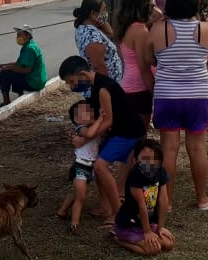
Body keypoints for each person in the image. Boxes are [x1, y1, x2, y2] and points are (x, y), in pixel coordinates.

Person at [59, 56, 147, 228]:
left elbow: (108, 121)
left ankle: (118, 213)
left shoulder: (102, 88)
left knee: (100, 166)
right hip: (118, 132)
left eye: (72, 82)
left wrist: (84, 138)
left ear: (82, 74)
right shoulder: (93, 87)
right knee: (97, 166)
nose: (72, 87)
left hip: (128, 132)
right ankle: (105, 207)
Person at [149, 0, 208, 211]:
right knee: (197, 147)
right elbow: (204, 55)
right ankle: (202, 199)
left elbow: (152, 58)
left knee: (168, 149)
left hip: (167, 95)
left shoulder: (158, 30)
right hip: (197, 95)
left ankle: (165, 202)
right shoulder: (205, 28)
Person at [112, 138, 175, 256]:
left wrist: (160, 227)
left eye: (155, 159)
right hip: (130, 224)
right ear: (136, 160)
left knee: (168, 244)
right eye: (145, 159)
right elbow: (142, 205)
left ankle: (148, 232)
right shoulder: (135, 176)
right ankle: (118, 238)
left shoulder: (161, 172)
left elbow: (163, 200)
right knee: (153, 250)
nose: (150, 163)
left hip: (149, 223)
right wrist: (147, 232)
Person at [55, 100, 103, 233]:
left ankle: (62, 211)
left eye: (91, 109)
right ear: (76, 119)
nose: (90, 112)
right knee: (81, 196)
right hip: (80, 166)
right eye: (86, 111)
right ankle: (74, 224)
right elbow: (89, 134)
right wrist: (99, 120)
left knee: (74, 192)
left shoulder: (94, 126)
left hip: (90, 166)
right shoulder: (80, 129)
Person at [115, 0, 157, 129]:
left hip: (128, 85)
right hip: (139, 89)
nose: (154, 6)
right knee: (139, 137)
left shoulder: (126, 26)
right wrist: (155, 93)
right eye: (152, 3)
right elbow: (144, 67)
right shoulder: (140, 30)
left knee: (132, 135)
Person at [0, 25, 47, 107]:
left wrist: (6, 68)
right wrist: (0, 65)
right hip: (36, 80)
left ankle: (6, 101)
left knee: (6, 73)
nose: (17, 38)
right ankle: (20, 94)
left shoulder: (30, 48)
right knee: (9, 70)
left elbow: (26, 70)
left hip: (34, 83)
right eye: (17, 36)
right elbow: (18, 64)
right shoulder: (29, 46)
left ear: (28, 36)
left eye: (19, 35)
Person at [74, 0, 123, 82]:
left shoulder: (87, 28)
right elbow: (99, 67)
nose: (106, 13)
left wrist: (102, 20)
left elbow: (110, 33)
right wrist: (108, 88)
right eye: (104, 10)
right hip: (107, 86)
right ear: (93, 14)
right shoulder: (91, 36)